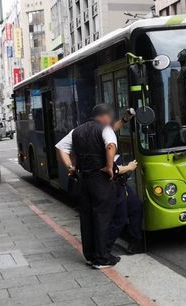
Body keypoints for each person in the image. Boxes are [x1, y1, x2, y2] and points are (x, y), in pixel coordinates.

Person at [55, 104, 120, 268]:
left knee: (87, 217)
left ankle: (90, 255)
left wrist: (70, 167)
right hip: (100, 178)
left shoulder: (76, 131)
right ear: (104, 116)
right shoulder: (105, 129)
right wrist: (110, 167)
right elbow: (111, 146)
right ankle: (102, 258)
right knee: (102, 217)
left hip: (83, 179)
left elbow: (61, 148)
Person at [107, 156, 144, 254]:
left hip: (120, 184)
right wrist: (128, 167)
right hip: (110, 186)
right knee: (119, 219)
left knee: (135, 207)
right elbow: (111, 169)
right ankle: (104, 248)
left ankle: (136, 241)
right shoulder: (105, 146)